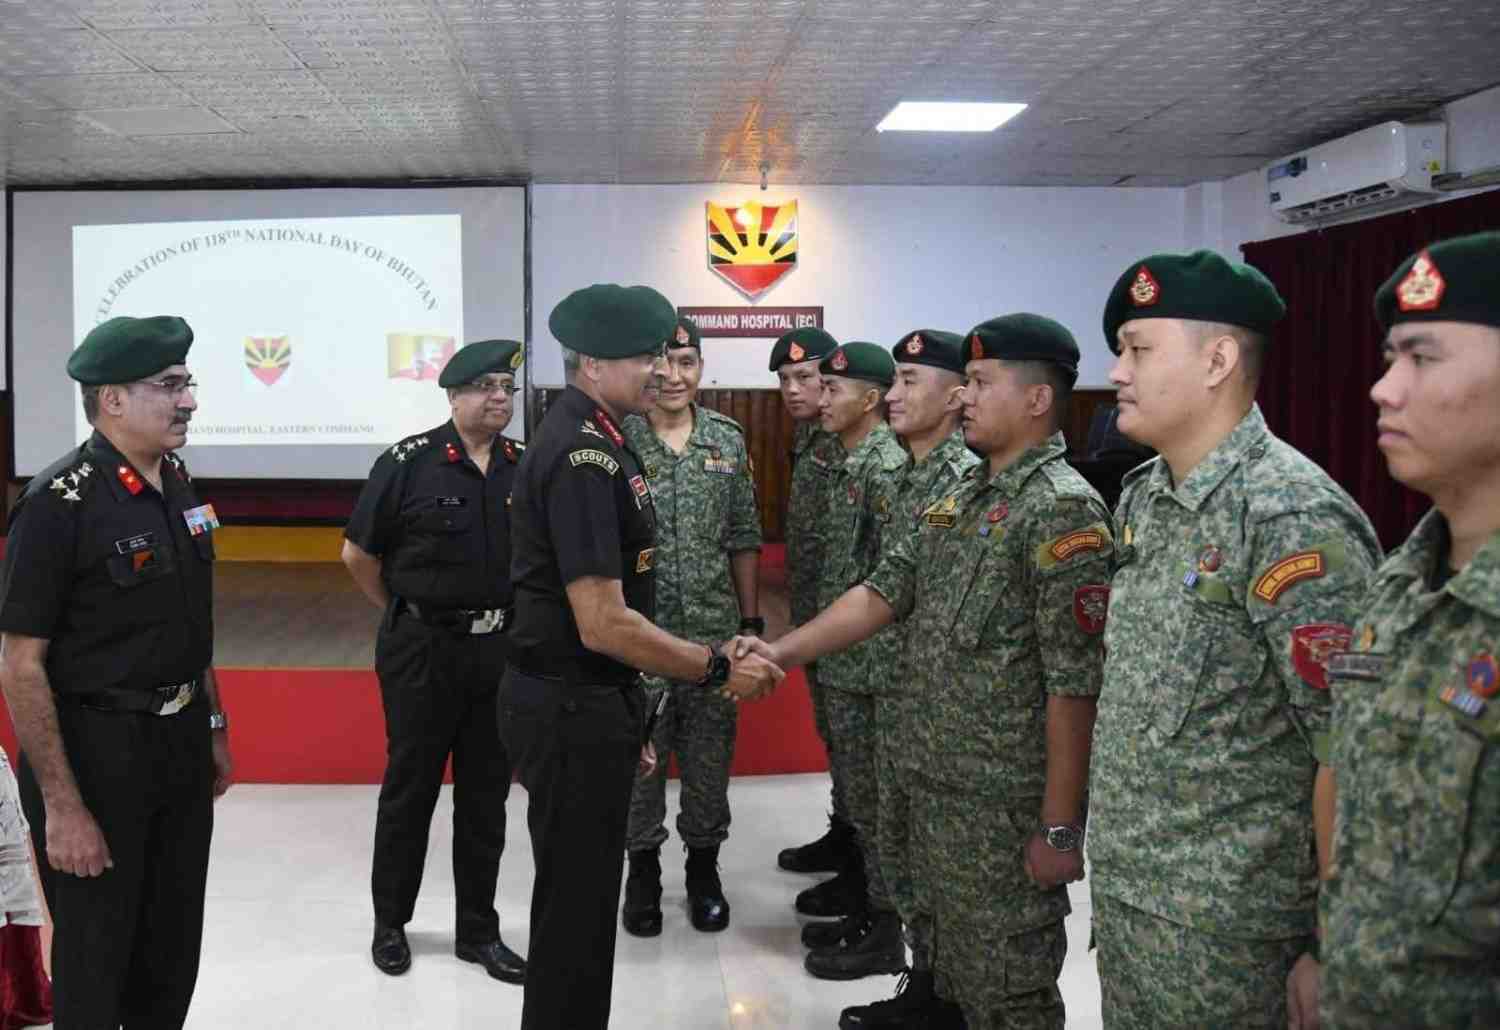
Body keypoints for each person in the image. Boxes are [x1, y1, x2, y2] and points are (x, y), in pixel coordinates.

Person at [737, 314, 1111, 1028]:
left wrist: (1061, 828)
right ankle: (933, 1005)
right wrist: (779, 652)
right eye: (963, 381)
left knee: (1006, 976)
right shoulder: (961, 498)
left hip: (998, 795)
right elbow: (882, 591)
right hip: (930, 768)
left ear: (1037, 400)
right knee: (936, 928)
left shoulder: (1060, 510)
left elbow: (1074, 686)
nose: (965, 397)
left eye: (980, 383)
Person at [1086, 250, 1382, 1029]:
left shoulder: (1290, 516)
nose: (1117, 372)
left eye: (1139, 349)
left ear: (1217, 360)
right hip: (1134, 894)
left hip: (1234, 929)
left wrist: (1332, 942)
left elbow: (1351, 748)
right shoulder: (1148, 496)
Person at [502, 283, 782, 1030]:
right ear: (593, 362)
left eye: (667, 355)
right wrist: (715, 666)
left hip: (591, 700)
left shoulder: (596, 435)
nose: (659, 370)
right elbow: (602, 621)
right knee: (574, 914)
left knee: (582, 909)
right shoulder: (584, 455)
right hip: (571, 703)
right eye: (644, 356)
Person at [1293, 230, 1500, 1030]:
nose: (1383, 389)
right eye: (1389, 358)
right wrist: (1326, 945)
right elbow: (1345, 778)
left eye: (1423, 358)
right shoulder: (1399, 585)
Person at [0, 315, 231, 1029]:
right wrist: (65, 808)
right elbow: (20, 662)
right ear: (113, 400)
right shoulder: (57, 503)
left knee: (170, 954)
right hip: (97, 755)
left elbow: (193, 623)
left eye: (187, 382)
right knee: (98, 963)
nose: (187, 400)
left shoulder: (178, 483)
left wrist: (214, 726)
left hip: (180, 746)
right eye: (169, 385)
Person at [341, 338, 529, 983]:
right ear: (453, 396)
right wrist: (407, 611)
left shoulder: (523, 465)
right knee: (410, 789)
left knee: (486, 795)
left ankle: (478, 930)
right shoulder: (407, 462)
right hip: (423, 648)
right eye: (483, 389)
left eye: (506, 389)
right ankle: (391, 923)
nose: (497, 399)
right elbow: (358, 557)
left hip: (499, 651)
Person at [834, 328, 979, 1028]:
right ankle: (923, 980)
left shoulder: (963, 479)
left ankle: (935, 984)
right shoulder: (917, 471)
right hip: (898, 688)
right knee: (901, 841)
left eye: (909, 381)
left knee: (936, 859)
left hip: (935, 705)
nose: (892, 394)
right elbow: (882, 581)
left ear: (957, 395)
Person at [620, 316, 764, 937]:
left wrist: (751, 619)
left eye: (687, 363)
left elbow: (743, 537)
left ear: (701, 368)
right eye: (663, 362)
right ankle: (643, 871)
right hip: (639, 636)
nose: (674, 376)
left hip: (713, 635)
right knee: (639, 766)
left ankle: (703, 870)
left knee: (709, 762)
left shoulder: (726, 441)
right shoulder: (620, 441)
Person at [796, 340, 910, 980]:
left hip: (872, 670)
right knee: (860, 798)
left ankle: (885, 929)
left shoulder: (884, 468)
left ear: (869, 399)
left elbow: (888, 586)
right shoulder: (844, 461)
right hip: (843, 660)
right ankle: (868, 903)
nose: (821, 397)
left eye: (834, 389)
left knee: (877, 804)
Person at [769, 327, 858, 888]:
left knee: (856, 746)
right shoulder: (811, 440)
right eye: (784, 380)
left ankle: (862, 865)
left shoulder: (858, 444)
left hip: (853, 628)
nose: (794, 389)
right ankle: (844, 831)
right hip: (818, 619)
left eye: (806, 377)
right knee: (835, 736)